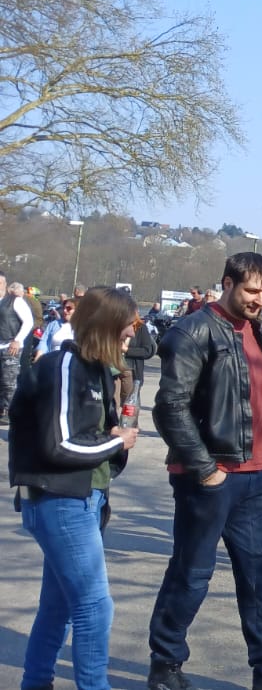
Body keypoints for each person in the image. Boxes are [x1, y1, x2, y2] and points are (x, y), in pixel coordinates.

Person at [147, 252, 262, 690]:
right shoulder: (193, 330)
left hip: (254, 476)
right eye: (251, 291)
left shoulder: (258, 329)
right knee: (191, 574)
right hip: (207, 477)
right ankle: (165, 665)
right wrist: (206, 469)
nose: (259, 300)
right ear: (227, 282)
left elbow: (258, 396)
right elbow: (169, 407)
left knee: (261, 577)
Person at [7, 286, 140, 690]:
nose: (131, 336)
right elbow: (60, 445)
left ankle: (35, 682)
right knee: (94, 608)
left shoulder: (96, 369)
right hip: (59, 500)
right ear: (107, 327)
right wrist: (117, 442)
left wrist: (110, 438)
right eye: (128, 328)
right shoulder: (63, 366)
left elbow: (80, 435)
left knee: (59, 605)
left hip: (81, 499)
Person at [0, 277, 35, 422]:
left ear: (5, 284)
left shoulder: (15, 301)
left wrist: (18, 339)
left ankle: (10, 411)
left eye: (0, 283)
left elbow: (28, 321)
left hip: (10, 346)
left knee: (9, 381)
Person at [120, 313, 159, 425]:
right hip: (114, 371)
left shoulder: (140, 327)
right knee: (113, 403)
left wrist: (127, 350)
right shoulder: (114, 324)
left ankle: (130, 427)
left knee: (130, 405)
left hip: (132, 371)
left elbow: (147, 351)